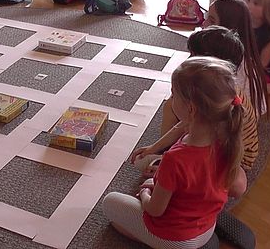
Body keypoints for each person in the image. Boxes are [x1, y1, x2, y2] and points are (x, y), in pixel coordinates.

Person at [103, 57, 246, 249]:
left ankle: (158, 242)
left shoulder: (175, 159)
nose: (170, 100)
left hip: (176, 239)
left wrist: (145, 193)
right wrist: (152, 149)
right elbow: (181, 127)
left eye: (173, 95)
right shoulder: (225, 138)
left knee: (111, 203)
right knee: (148, 172)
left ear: (191, 109)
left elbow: (154, 210)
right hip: (206, 228)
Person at [134, 26, 258, 175]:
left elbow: (210, 153)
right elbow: (182, 125)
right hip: (213, 144)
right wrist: (153, 148)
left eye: (193, 56)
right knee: (171, 107)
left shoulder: (218, 107)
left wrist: (169, 166)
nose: (187, 60)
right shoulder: (214, 92)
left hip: (233, 161)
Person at [202, 0, 268, 117]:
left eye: (211, 21)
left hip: (237, 129)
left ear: (227, 30)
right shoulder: (235, 57)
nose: (203, 24)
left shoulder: (238, 70)